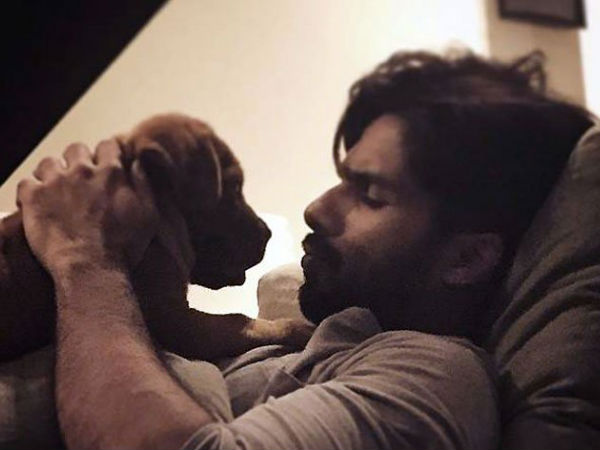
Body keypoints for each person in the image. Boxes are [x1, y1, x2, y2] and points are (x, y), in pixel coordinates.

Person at [16, 49, 594, 449]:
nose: (317, 208)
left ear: (467, 259)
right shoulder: (323, 338)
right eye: (340, 179)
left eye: (369, 194)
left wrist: (84, 257)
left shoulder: (431, 376)